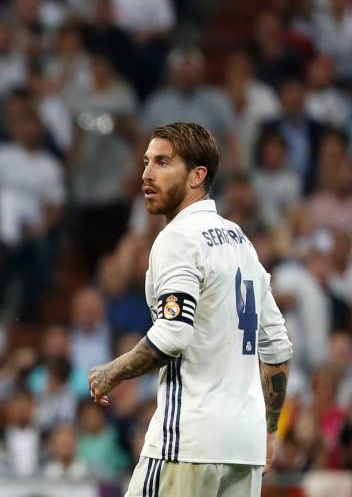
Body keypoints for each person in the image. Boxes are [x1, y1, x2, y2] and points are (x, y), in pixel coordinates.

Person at [88, 123, 293, 496]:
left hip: (188, 441)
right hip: (243, 448)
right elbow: (277, 348)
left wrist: (111, 372)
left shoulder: (178, 239)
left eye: (163, 162)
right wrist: (269, 430)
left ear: (198, 175)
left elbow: (173, 334)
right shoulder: (241, 242)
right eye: (146, 162)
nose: (146, 174)